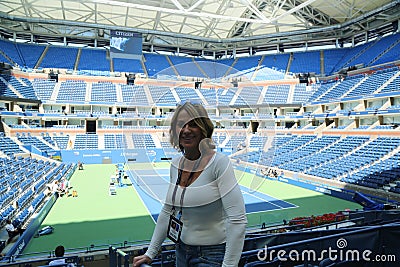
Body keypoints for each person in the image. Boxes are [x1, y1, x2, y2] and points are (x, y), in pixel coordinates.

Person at [133, 101, 247, 267]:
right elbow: (167, 211)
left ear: (203, 129)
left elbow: (237, 220)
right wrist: (151, 252)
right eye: (181, 125)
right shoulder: (176, 165)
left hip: (212, 256)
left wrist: (229, 265)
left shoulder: (219, 163)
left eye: (193, 124)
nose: (186, 130)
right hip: (181, 252)